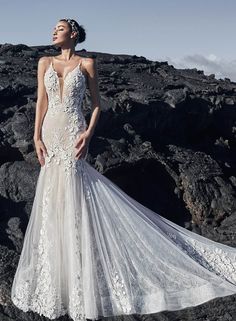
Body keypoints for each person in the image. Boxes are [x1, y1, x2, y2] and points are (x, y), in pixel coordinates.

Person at [11, 18, 236, 321]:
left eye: (60, 28)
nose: (53, 32)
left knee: (75, 197)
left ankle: (79, 279)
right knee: (52, 198)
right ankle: (56, 279)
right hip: (51, 133)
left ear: (73, 34)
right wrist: (36, 136)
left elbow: (96, 105)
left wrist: (87, 135)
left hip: (75, 133)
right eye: (53, 28)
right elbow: (41, 100)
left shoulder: (87, 63)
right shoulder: (44, 62)